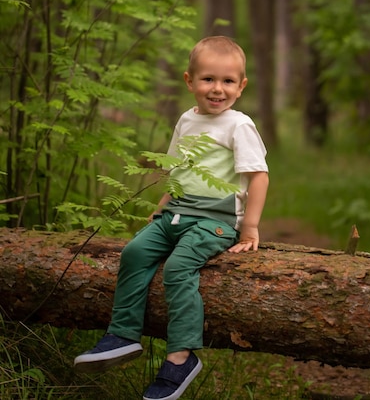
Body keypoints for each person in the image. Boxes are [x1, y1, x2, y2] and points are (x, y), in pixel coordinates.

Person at [74, 36, 269, 400]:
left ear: (241, 87)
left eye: (228, 81)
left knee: (179, 268)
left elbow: (259, 175)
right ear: (189, 81)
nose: (217, 89)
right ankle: (122, 335)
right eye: (208, 79)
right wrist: (163, 203)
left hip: (216, 220)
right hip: (177, 212)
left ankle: (180, 357)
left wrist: (250, 225)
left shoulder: (239, 125)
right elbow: (177, 168)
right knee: (133, 252)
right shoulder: (186, 120)